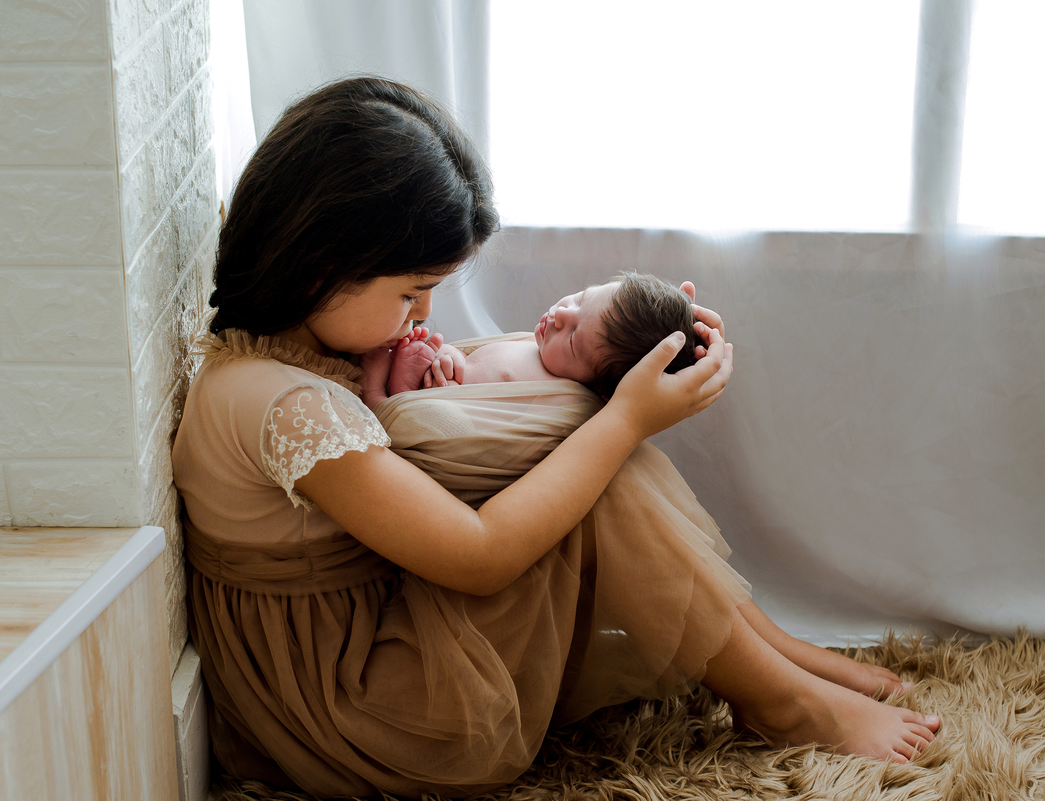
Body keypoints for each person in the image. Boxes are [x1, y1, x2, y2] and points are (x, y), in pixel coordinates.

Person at [172, 76, 939, 799]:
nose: (422, 316)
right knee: (596, 473)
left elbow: (504, 392)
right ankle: (782, 697)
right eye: (410, 292)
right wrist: (626, 417)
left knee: (582, 435)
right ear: (322, 262)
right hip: (357, 710)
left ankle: (774, 653)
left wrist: (644, 341)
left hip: (376, 634)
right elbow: (477, 557)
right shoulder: (286, 405)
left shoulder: (299, 352)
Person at [359, 272, 703, 410]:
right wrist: (448, 356)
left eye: (572, 338)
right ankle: (408, 387)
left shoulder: (566, 404)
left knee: (403, 426)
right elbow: (477, 358)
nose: (560, 315)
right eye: (581, 299)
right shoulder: (535, 347)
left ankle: (379, 394)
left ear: (600, 390)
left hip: (442, 422)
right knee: (439, 352)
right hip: (442, 387)